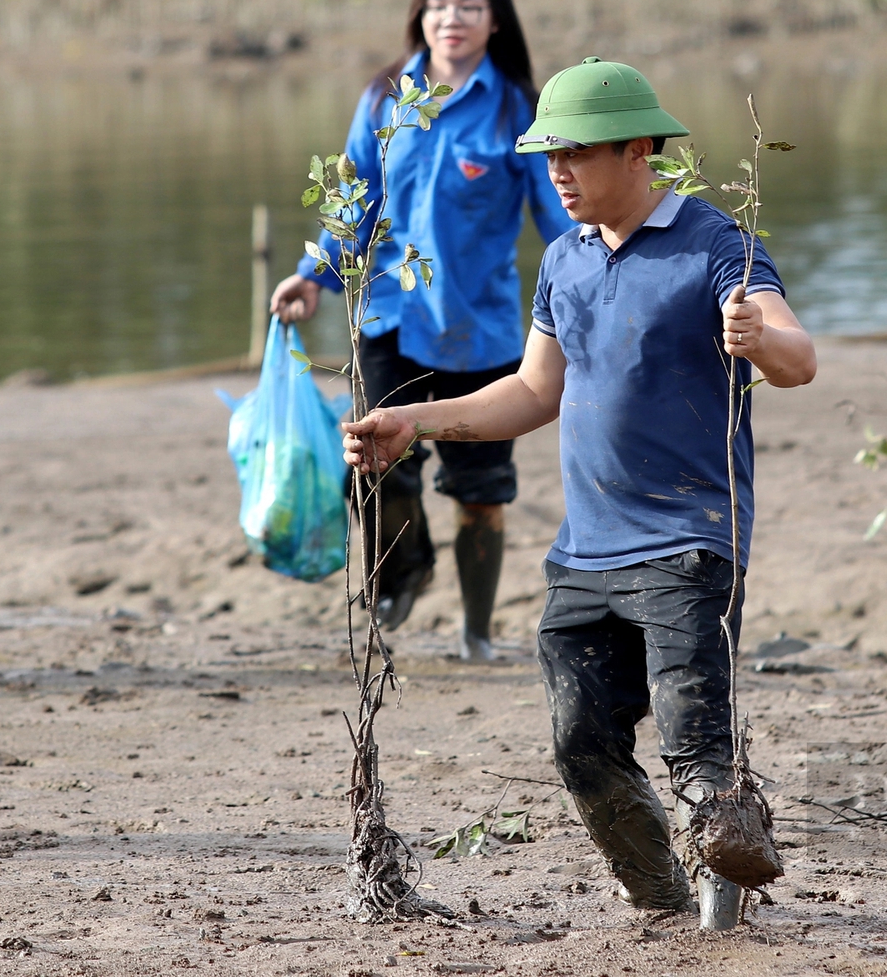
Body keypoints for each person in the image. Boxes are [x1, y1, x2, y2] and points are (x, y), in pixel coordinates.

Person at [342, 59, 817, 926]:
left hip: (688, 543)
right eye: (548, 155)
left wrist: (758, 336)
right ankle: (665, 904)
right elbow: (531, 393)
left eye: (577, 154)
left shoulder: (716, 246)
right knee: (579, 746)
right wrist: (416, 420)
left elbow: (799, 359)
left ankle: (725, 911)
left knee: (695, 745)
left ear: (640, 150)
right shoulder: (563, 259)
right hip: (586, 554)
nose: (557, 172)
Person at [270, 0, 572, 661]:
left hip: (484, 327)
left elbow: (557, 214)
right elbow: (355, 197)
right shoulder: (385, 97)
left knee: (483, 490)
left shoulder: (515, 109)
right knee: (372, 456)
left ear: (495, 21)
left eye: (468, 7)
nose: (452, 19)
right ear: (419, 14)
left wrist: (607, 277)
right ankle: (406, 568)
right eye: (439, 6)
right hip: (389, 315)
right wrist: (313, 273)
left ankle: (475, 634)